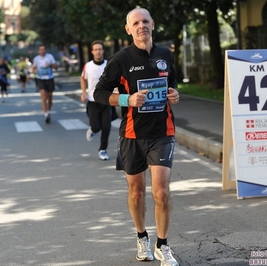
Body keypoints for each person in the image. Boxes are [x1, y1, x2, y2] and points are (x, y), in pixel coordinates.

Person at [93, 7, 180, 266]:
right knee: (136, 192)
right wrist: (126, 99)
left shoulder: (165, 54)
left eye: (145, 21)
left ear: (152, 24)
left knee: (162, 192)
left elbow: (172, 84)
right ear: (128, 29)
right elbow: (99, 93)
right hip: (132, 134)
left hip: (163, 132)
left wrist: (175, 94)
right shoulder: (120, 59)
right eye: (136, 23)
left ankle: (163, 245)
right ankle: (142, 237)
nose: (141, 26)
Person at [81, 40, 111, 161]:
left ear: (103, 51)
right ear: (92, 51)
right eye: (96, 49)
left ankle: (102, 150)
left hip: (106, 100)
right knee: (96, 127)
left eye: (100, 49)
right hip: (92, 100)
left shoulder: (109, 65)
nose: (98, 51)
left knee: (106, 126)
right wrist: (84, 92)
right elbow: (83, 79)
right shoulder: (88, 66)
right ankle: (92, 130)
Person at [32, 44, 58, 123]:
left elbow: (56, 67)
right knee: (43, 96)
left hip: (49, 79)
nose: (42, 51)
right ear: (38, 51)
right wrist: (35, 71)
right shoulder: (36, 59)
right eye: (40, 49)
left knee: (49, 98)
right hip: (40, 79)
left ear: (45, 50)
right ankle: (45, 114)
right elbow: (34, 68)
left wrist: (50, 65)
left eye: (43, 49)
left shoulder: (50, 57)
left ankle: (49, 111)